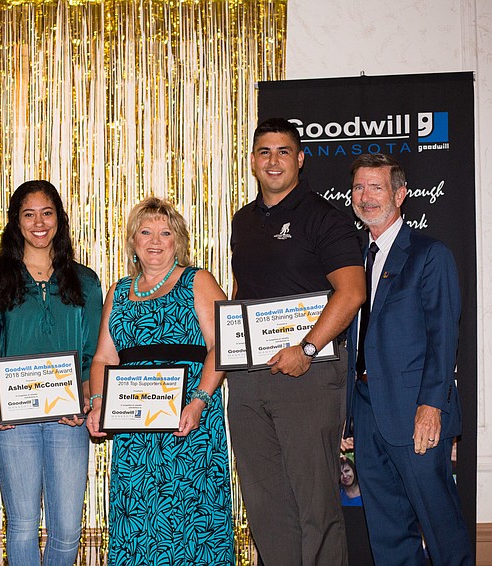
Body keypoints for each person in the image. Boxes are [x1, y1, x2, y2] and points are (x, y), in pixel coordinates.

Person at [226, 118, 366, 565]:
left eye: (283, 151)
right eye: (264, 151)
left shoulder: (324, 218)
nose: (273, 160)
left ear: (300, 160)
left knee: (315, 508)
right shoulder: (243, 220)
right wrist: (231, 352)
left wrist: (306, 350)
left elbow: (352, 292)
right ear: (251, 161)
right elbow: (241, 292)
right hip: (249, 381)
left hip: (309, 375)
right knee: (266, 507)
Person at [86, 197, 233, 565]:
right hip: (133, 431)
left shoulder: (197, 280)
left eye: (165, 233)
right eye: (146, 231)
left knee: (191, 520)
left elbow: (224, 342)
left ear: (177, 240)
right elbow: (105, 357)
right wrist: (98, 403)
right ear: (133, 240)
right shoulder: (118, 291)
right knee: (139, 520)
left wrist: (199, 401)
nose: (155, 240)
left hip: (188, 423)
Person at [343, 153, 473, 564]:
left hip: (416, 414)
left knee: (442, 529)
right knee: (388, 534)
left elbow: (443, 338)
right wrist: (349, 417)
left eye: (376, 187)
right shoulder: (353, 263)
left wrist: (432, 406)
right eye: (359, 187)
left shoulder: (429, 255)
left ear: (400, 194)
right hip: (366, 415)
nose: (366, 197)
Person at [0, 180, 102, 566]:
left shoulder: (85, 281)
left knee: (67, 528)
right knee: (23, 524)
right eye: (28, 214)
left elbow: (92, 352)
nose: (38, 222)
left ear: (59, 220)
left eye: (47, 213)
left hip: (69, 418)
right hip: (14, 421)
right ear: (16, 222)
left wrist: (85, 399)